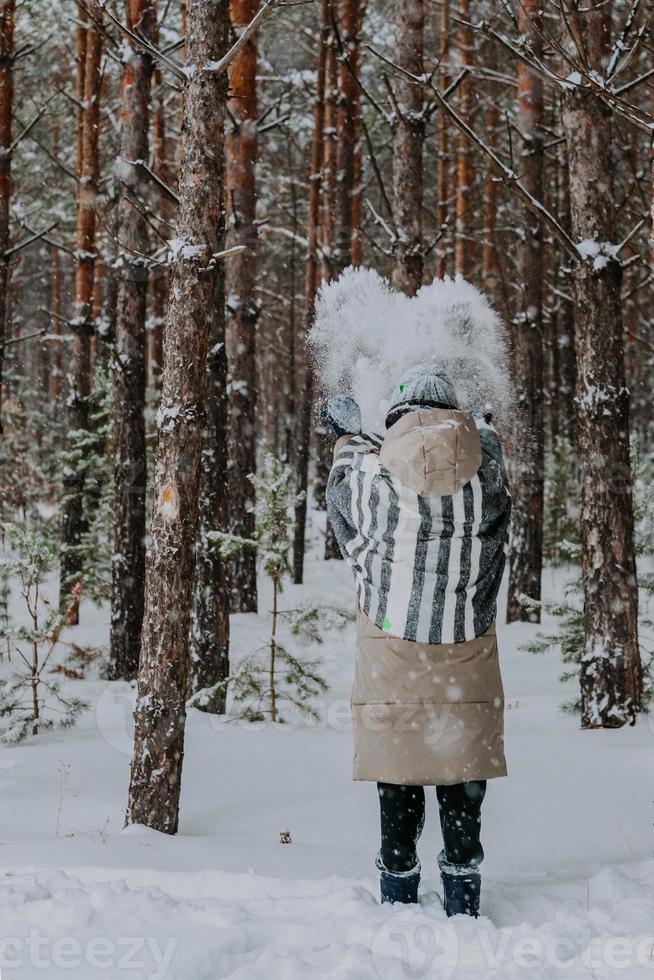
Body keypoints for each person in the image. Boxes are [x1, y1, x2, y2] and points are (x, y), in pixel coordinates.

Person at [323, 367, 511, 916]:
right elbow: (493, 479)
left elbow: (343, 501)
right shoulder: (488, 477)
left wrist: (346, 435)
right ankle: (462, 897)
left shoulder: (373, 478)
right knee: (460, 774)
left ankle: (398, 897)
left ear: (396, 423)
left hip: (392, 660)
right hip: (467, 661)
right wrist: (485, 429)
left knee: (399, 773)